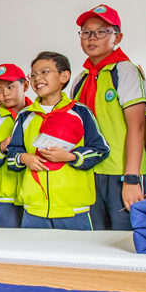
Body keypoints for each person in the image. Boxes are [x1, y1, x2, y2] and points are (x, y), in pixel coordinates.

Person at [6, 52, 110, 230]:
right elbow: (11, 155)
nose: (37, 78)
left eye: (44, 72)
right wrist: (23, 158)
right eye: (33, 74)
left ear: (64, 76)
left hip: (74, 210)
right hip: (34, 209)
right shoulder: (25, 116)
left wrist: (71, 157)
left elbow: (100, 150)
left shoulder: (80, 112)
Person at [70, 5, 146, 230]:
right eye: (86, 32)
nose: (92, 38)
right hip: (88, 171)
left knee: (125, 237)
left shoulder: (125, 70)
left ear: (117, 37)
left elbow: (138, 127)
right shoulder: (80, 79)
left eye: (101, 32)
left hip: (120, 173)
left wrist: (131, 178)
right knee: (94, 237)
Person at [0, 63, 31, 228]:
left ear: (25, 85)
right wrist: (1, 147)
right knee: (6, 240)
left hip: (35, 196)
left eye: (10, 87)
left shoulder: (37, 115)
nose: (5, 94)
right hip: (5, 196)